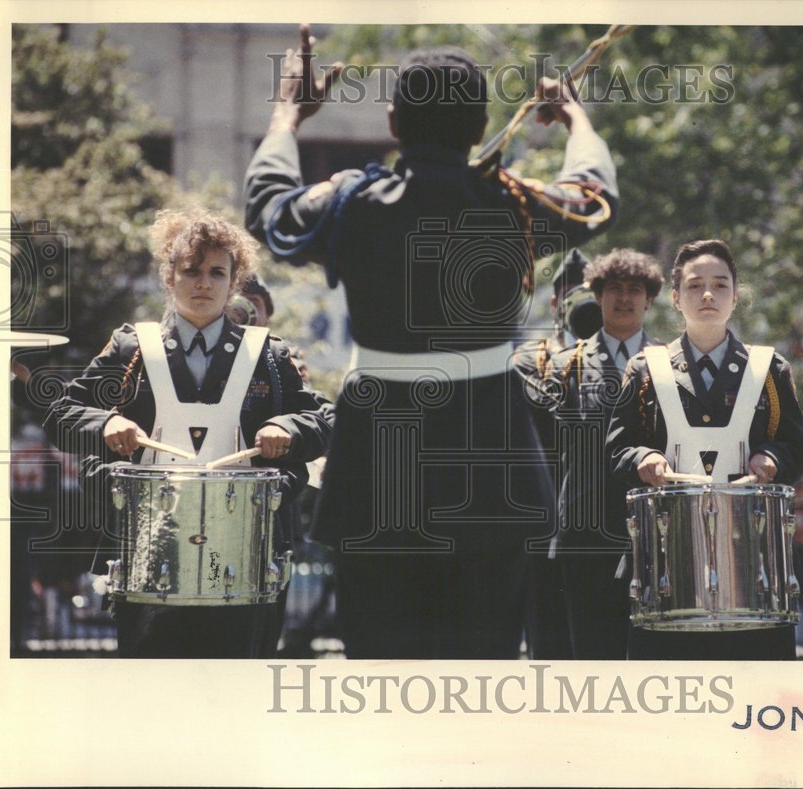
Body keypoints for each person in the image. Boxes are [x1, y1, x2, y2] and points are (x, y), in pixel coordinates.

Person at [244, 27, 618, 658]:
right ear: (479, 128)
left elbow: (269, 209)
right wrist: (577, 115)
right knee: (481, 671)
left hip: (376, 468)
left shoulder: (353, 201)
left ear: (392, 122)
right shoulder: (514, 205)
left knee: (383, 668)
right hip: (493, 464)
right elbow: (594, 195)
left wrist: (287, 113)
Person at [44, 208, 335, 658]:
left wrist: (287, 426)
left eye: (217, 272)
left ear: (233, 281)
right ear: (169, 277)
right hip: (148, 558)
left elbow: (324, 420)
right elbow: (62, 413)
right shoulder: (131, 348)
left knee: (238, 695)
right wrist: (105, 423)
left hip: (246, 565)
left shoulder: (269, 356)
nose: (203, 283)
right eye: (191, 271)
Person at [606, 239, 803, 659]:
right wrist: (642, 458)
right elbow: (617, 448)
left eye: (720, 285)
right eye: (695, 285)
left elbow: (797, 448)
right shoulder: (646, 368)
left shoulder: (769, 368)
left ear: (735, 298)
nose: (707, 294)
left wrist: (771, 457)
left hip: (752, 570)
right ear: (676, 299)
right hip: (667, 567)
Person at [548, 248, 663, 659]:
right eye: (614, 288)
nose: (625, 297)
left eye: (636, 289)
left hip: (652, 536)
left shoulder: (670, 365)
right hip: (585, 536)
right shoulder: (563, 367)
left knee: (650, 660)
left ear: (649, 298)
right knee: (591, 662)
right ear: (597, 296)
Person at [512, 248, 599, 660]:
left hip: (612, 523)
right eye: (573, 294)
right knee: (549, 645)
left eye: (592, 293)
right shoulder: (531, 360)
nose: (583, 302)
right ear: (555, 302)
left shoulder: (640, 357)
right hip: (548, 523)